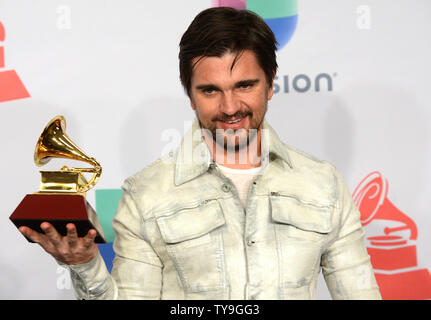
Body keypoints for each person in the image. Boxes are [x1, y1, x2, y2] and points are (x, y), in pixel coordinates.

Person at [19, 7, 381, 300]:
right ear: (190, 95)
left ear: (270, 83)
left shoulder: (323, 184)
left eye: (244, 86)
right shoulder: (147, 194)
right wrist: (85, 265)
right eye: (210, 91)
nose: (229, 107)